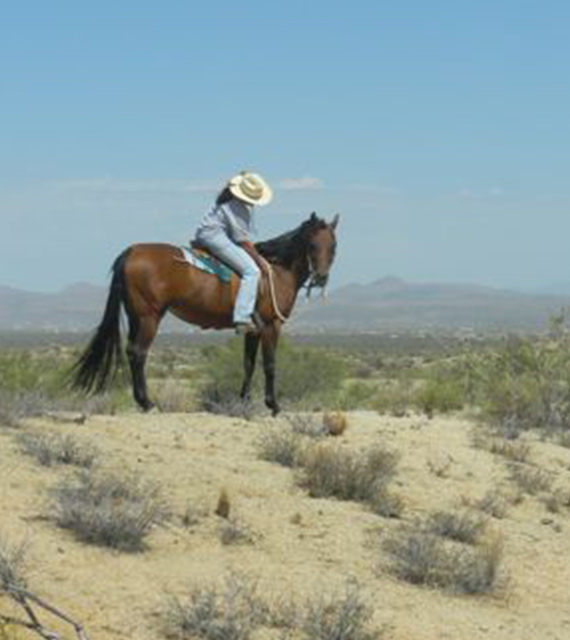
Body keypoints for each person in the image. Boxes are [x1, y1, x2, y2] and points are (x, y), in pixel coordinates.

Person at [194, 171, 273, 334]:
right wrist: (260, 261)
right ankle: (242, 318)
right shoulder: (239, 208)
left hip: (207, 235)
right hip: (215, 238)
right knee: (252, 272)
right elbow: (242, 241)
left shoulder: (227, 202)